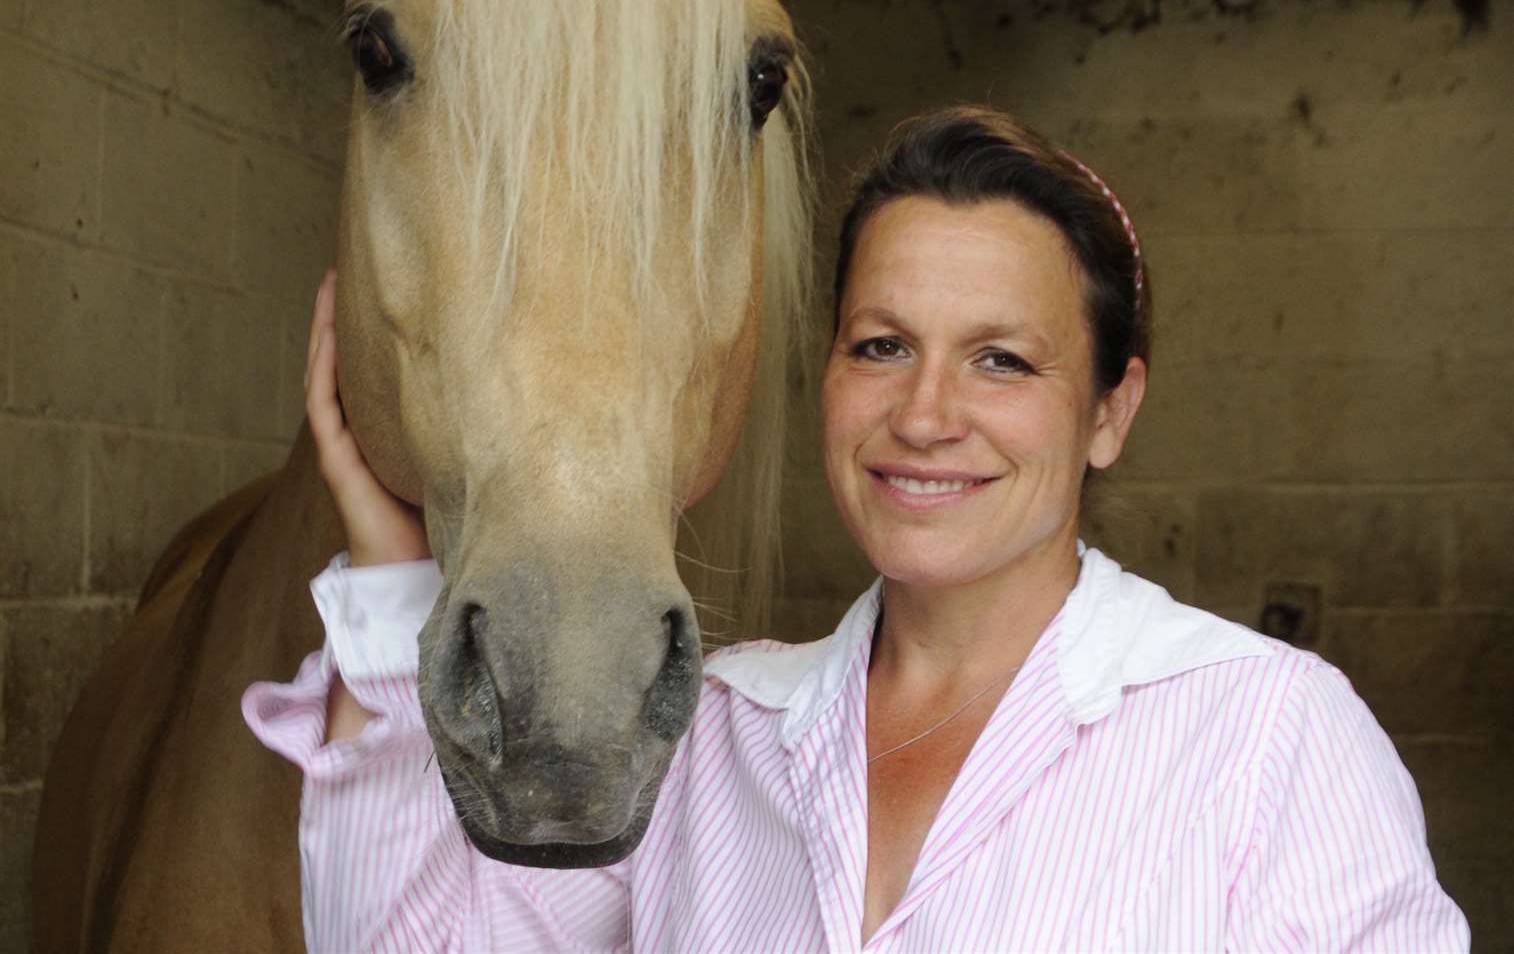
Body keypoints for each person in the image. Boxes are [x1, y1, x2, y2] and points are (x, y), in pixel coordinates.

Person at [246, 106, 1469, 951]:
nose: (923, 415)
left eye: (1000, 360)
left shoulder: (1266, 737)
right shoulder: (707, 736)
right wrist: (393, 572)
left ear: (1108, 410)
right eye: (879, 346)